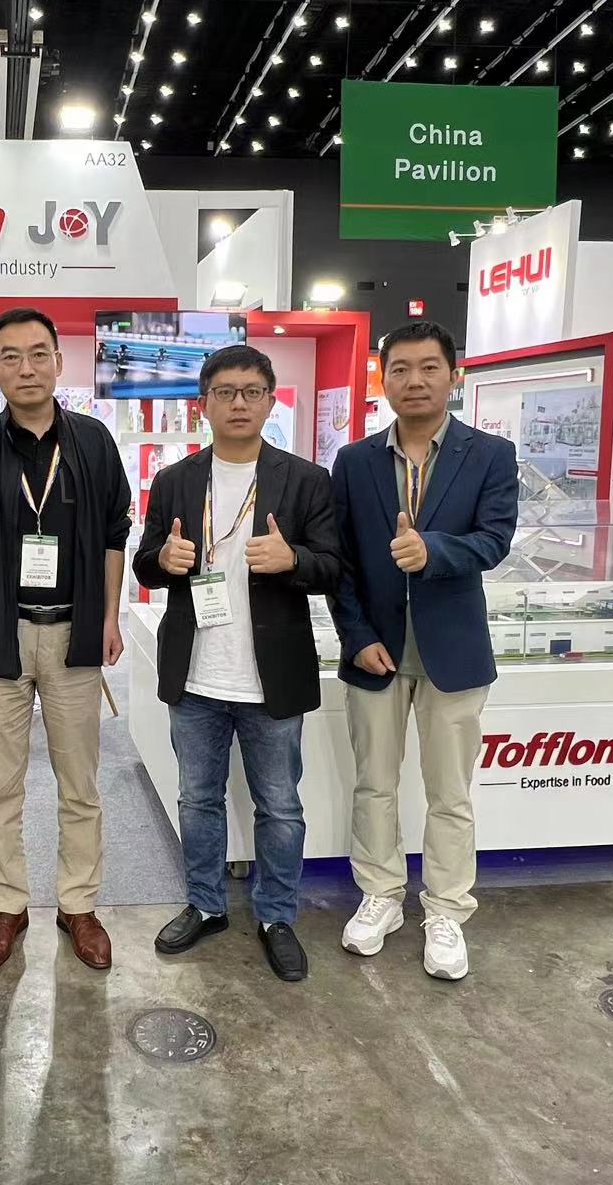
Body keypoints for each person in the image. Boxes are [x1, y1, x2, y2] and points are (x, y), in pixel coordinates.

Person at [131, 345, 341, 982]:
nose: (239, 403)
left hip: (271, 679)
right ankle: (206, 904)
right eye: (225, 392)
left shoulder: (305, 480)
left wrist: (294, 561)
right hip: (195, 676)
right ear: (205, 403)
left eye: (252, 391)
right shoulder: (176, 480)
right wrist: (161, 562)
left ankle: (276, 916)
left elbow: (334, 567)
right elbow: (145, 563)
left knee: (280, 807)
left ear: (270, 401)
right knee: (198, 800)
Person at [0, 307, 131, 973]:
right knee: (1, 785)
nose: (26, 367)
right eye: (11, 356)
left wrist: (110, 615)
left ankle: (79, 904)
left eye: (38, 353)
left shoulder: (93, 441)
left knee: (81, 783)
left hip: (75, 631)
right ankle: (7, 905)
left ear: (59, 363)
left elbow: (114, 533)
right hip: (0, 632)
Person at [329, 321, 516, 981]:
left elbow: (494, 540)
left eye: (429, 367)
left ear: (452, 375)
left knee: (450, 794)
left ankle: (446, 909)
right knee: (374, 784)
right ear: (383, 380)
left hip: (453, 653)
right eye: (400, 369)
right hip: (376, 653)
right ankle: (381, 894)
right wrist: (358, 637)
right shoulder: (355, 462)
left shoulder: (489, 455)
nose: (414, 380)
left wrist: (432, 549)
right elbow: (341, 563)